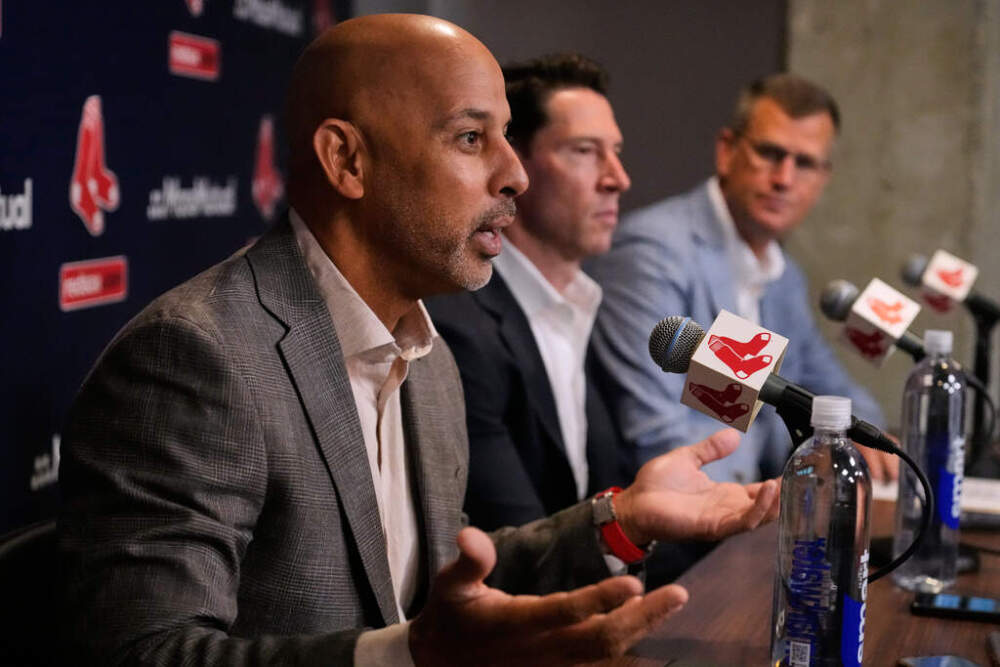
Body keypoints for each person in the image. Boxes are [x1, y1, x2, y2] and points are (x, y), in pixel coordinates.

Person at [58, 14, 779, 666]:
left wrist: (621, 520)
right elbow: (144, 651)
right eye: (471, 139)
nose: (515, 175)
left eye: (506, 137)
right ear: (347, 160)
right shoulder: (196, 357)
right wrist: (404, 654)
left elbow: (443, 583)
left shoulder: (426, 356)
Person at [587, 73, 897, 485]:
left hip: (753, 503)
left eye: (804, 163)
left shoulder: (783, 275)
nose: (784, 178)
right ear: (726, 151)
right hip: (675, 514)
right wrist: (778, 491)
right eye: (770, 153)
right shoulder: (653, 253)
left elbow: (838, 394)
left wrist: (859, 439)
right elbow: (657, 439)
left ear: (823, 179)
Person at [426, 53, 631, 531]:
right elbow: (512, 537)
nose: (617, 179)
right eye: (585, 151)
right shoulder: (459, 328)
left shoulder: (584, 306)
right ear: (515, 164)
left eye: (616, 151)